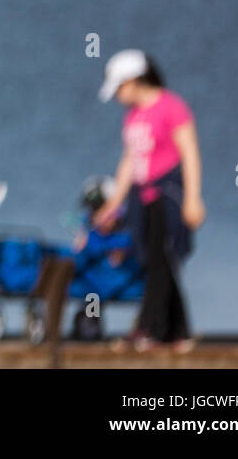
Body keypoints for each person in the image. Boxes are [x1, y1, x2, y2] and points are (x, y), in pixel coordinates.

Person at [92, 49, 204, 353]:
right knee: (154, 260)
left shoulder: (172, 107)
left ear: (133, 81)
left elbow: (190, 153)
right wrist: (114, 201)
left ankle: (149, 328)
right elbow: (130, 159)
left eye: (119, 88)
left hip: (169, 194)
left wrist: (193, 199)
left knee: (162, 259)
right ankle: (177, 331)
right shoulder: (134, 116)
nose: (117, 95)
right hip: (142, 196)